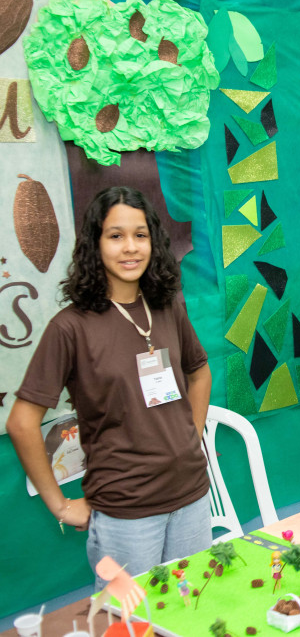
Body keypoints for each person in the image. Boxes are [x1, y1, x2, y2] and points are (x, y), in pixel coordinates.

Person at [7, 186, 212, 589]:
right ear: (94, 244)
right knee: (131, 620)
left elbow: (199, 372)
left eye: (140, 235)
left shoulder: (167, 307)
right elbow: (21, 422)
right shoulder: (70, 328)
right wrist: (60, 505)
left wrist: (190, 435)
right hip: (126, 513)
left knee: (193, 609)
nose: (130, 247)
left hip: (191, 497)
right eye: (116, 235)